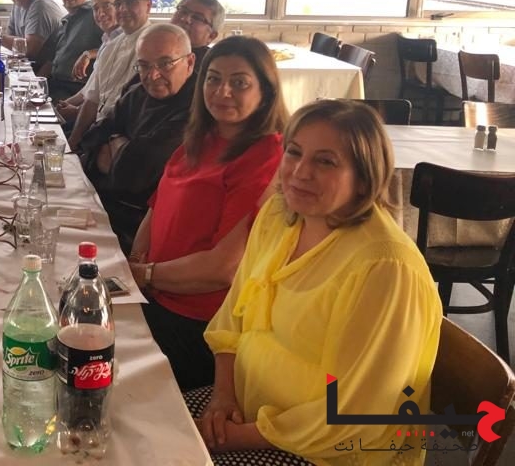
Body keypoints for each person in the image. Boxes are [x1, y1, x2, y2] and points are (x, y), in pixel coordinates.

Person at [194, 99, 442, 465]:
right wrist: (222, 397)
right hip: (248, 411)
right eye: (294, 152)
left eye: (325, 162)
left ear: (364, 180)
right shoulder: (279, 216)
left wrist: (236, 437)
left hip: (328, 452)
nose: (300, 172)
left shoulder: (384, 268)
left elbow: (357, 416)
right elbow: (233, 319)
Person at [127, 36, 288, 391]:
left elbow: (222, 268)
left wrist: (145, 275)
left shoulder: (265, 157)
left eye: (239, 83)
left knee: (89, 359)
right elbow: (156, 208)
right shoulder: (202, 138)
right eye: (213, 79)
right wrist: (135, 268)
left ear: (266, 92)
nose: (222, 92)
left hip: (198, 323)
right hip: (156, 294)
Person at [78, 24, 196, 254]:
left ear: (189, 62)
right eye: (144, 65)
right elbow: (92, 137)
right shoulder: (138, 92)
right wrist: (123, 148)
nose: (153, 75)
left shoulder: (197, 107)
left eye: (165, 63)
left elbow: (135, 178)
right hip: (100, 201)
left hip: (138, 225)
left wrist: (113, 146)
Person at [65, 0, 153, 151]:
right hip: (98, 130)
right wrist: (73, 143)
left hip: (122, 137)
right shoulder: (111, 46)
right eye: (118, 4)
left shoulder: (154, 46)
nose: (123, 9)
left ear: (148, 6)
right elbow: (92, 100)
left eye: (131, 2)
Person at [37, 0, 103, 99]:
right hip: (54, 83)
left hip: (75, 88)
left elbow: (113, 44)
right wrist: (35, 83)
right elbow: (50, 61)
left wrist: (88, 54)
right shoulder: (65, 21)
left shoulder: (95, 15)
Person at [0, 0, 65, 64]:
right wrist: (3, 39)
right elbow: (10, 37)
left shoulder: (41, 5)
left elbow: (30, 49)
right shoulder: (18, 3)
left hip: (48, 67)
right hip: (29, 63)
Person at [70, 0, 120, 82]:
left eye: (107, 6)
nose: (101, 13)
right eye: (96, 8)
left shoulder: (128, 39)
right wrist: (88, 54)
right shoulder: (107, 38)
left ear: (120, 6)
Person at [170, 0, 225, 65]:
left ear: (211, 36)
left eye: (197, 18)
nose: (185, 19)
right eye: (183, 11)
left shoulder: (211, 65)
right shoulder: (155, 44)